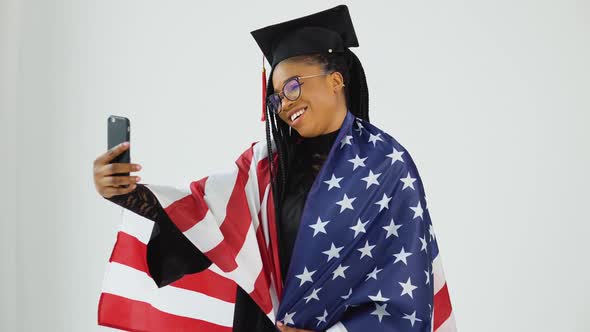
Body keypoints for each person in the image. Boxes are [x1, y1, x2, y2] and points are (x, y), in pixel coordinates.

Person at [93, 5, 455, 332]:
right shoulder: (267, 166)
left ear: (335, 80)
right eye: (277, 96)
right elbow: (201, 214)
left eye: (294, 87)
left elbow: (405, 290)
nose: (283, 105)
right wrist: (126, 192)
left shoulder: (388, 166)